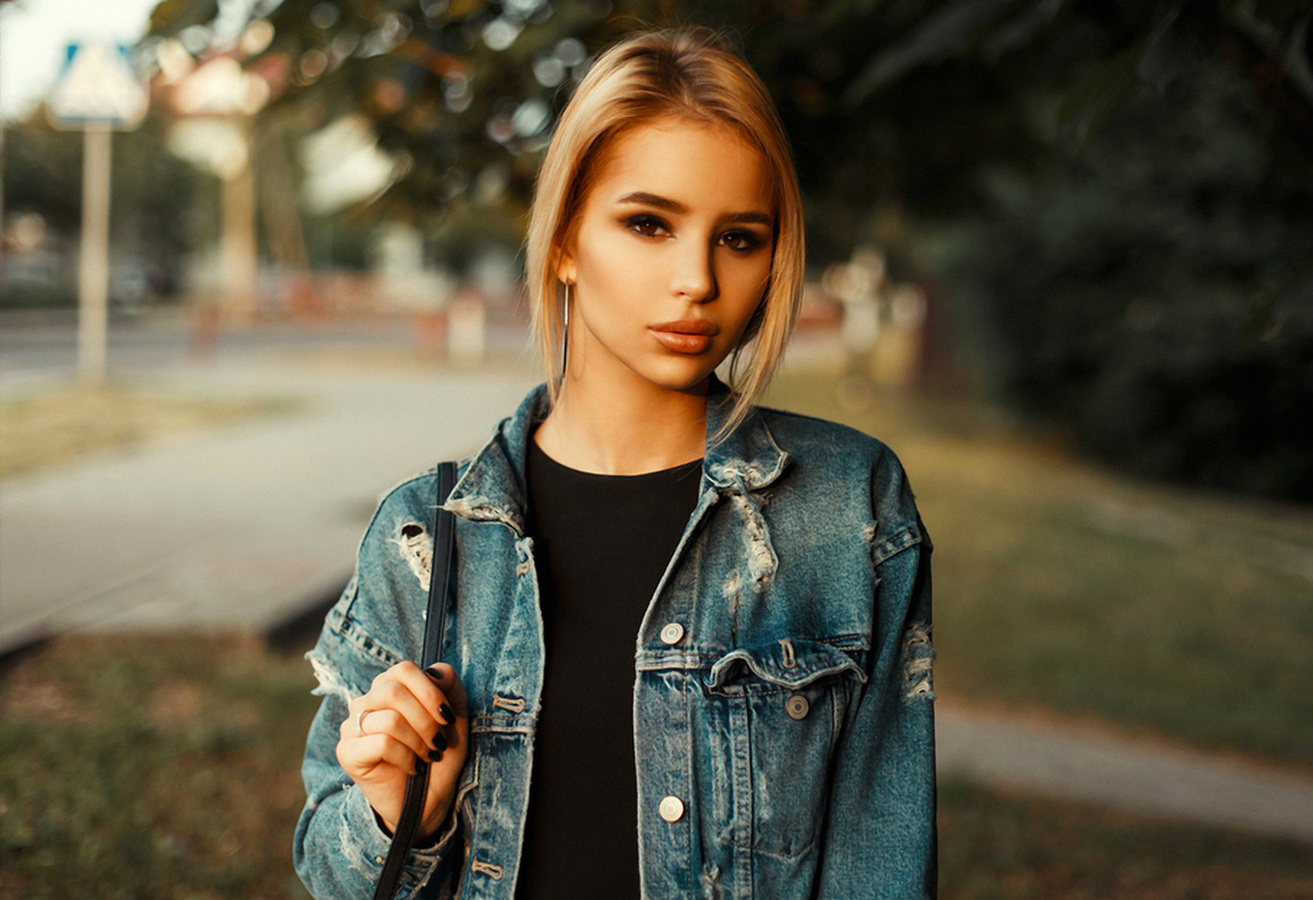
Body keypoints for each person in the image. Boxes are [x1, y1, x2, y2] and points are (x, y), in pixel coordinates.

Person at [294, 27, 936, 900]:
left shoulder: (846, 505)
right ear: (563, 238)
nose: (697, 281)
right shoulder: (426, 536)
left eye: (739, 238)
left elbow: (882, 867)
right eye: (648, 223)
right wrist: (399, 814)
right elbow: (335, 879)